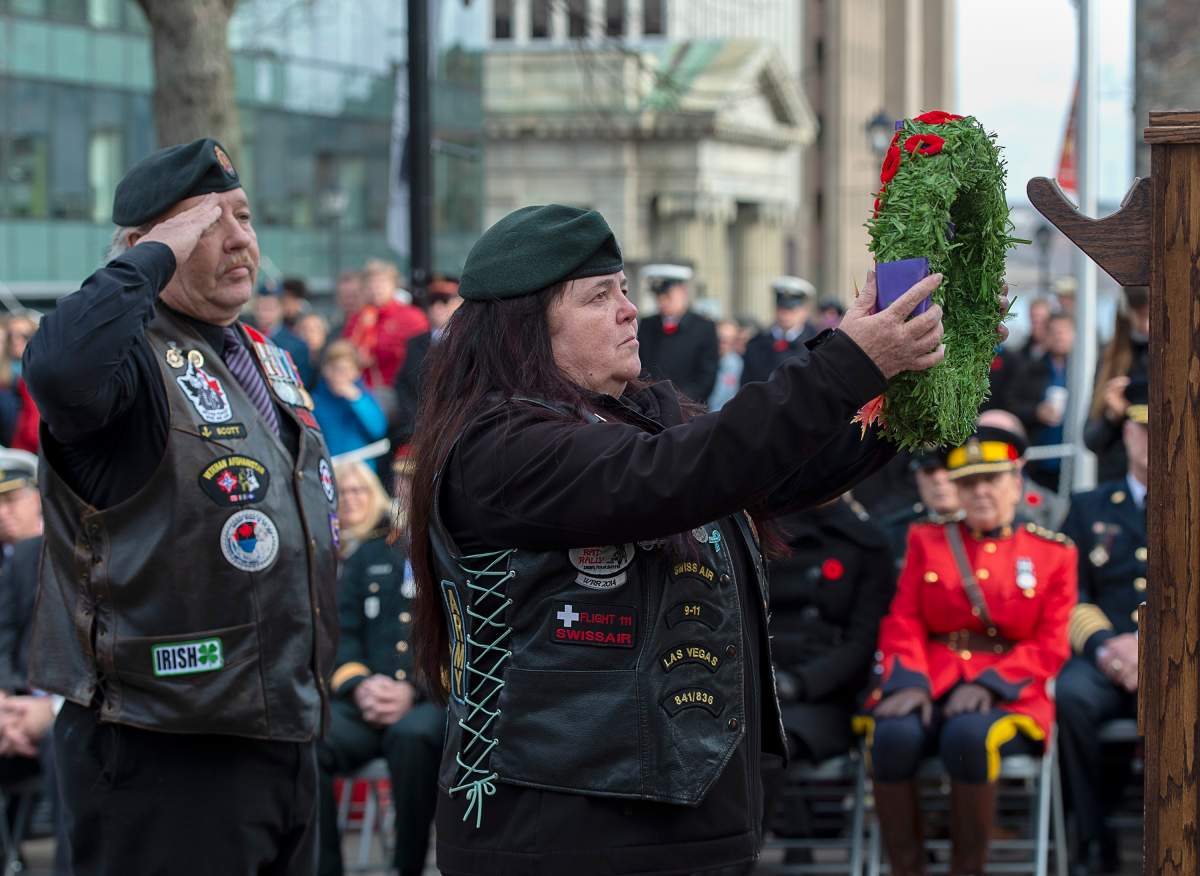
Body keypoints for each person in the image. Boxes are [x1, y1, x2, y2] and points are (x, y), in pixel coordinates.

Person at [403, 202, 1009, 875]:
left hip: (674, 816)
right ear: (523, 328)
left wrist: (917, 370)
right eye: (600, 296)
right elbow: (684, 472)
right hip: (565, 830)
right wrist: (843, 364)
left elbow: (778, 468)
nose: (629, 309)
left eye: (625, 289)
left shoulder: (630, 419)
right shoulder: (498, 445)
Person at [23, 138, 339, 876]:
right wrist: (154, 250)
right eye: (205, 223)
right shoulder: (127, 364)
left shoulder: (264, 355)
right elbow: (60, 367)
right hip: (162, 746)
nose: (238, 239)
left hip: (281, 733)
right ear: (148, 249)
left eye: (245, 217)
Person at [865, 426, 1077, 876]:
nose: (980, 492)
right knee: (891, 736)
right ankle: (906, 867)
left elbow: (1051, 642)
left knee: (968, 736)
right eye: (968, 483)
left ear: (1016, 483)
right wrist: (909, 681)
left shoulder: (1053, 553)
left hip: (1011, 691)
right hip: (934, 676)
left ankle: (968, 868)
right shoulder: (927, 540)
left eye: (992, 479)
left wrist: (991, 683)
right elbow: (904, 618)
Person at [318, 460, 443, 876]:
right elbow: (342, 631)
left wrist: (415, 690)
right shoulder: (370, 553)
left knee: (413, 737)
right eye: (402, 484)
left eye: (416, 482)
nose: (408, 491)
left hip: (427, 699)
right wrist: (359, 687)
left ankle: (406, 867)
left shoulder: (447, 552)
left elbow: (458, 637)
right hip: (367, 698)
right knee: (313, 738)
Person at [1057, 378, 1149, 876]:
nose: (1151, 440)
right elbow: (1070, 591)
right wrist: (1105, 647)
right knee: (1070, 696)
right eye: (1141, 428)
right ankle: (1091, 836)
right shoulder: (1091, 506)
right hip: (1107, 654)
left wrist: (1151, 649)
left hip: (1178, 660)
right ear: (1127, 434)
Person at [765, 494, 895, 835]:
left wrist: (801, 682)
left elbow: (862, 644)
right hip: (759, 686)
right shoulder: (770, 530)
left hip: (823, 701)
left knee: (766, 748)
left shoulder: (866, 543)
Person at [1084, 286, 1150, 483]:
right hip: (1118, 479)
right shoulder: (1111, 360)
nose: (1146, 325)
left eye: (1151, 314)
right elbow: (1090, 439)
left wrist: (1130, 411)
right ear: (1126, 313)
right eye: (1140, 315)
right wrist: (1112, 415)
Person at [392, 278, 463, 450]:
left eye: (445, 300)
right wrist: (416, 425)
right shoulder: (414, 344)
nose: (437, 307)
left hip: (459, 431)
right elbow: (404, 386)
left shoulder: (469, 343)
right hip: (420, 433)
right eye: (432, 301)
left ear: (459, 304)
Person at [635, 263, 720, 402]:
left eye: (667, 296)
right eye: (658, 297)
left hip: (689, 408)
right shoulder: (647, 325)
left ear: (682, 292)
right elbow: (641, 367)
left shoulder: (704, 327)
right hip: (651, 405)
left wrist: (680, 402)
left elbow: (707, 377)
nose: (662, 302)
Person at [1010, 312, 1075, 491]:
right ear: (1046, 336)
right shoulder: (1030, 368)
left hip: (1074, 460)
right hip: (1039, 458)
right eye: (1054, 332)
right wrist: (1036, 412)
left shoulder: (1086, 369)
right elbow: (1012, 404)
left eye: (1064, 331)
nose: (1060, 337)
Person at [342, 260, 429, 389]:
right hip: (363, 388)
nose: (375, 289)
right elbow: (346, 349)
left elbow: (419, 354)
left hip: (399, 388)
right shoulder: (357, 318)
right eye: (370, 284)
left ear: (393, 286)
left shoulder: (411, 316)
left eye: (381, 283)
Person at [977, 408, 1069, 530]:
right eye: (980, 445)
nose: (987, 456)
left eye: (997, 447)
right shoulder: (957, 503)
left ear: (1021, 457)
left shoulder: (1055, 509)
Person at [877, 449, 962, 569]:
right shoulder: (893, 532)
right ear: (917, 477)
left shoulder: (987, 526)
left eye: (947, 468)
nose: (938, 479)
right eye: (929, 471)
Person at [312, 341, 389, 458]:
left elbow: (378, 430)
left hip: (360, 465)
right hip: (329, 465)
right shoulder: (315, 400)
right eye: (336, 369)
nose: (340, 375)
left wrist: (357, 400)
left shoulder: (363, 397)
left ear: (356, 373)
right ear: (325, 370)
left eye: (346, 370)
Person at [741, 277, 818, 385]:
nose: (785, 314)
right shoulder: (757, 343)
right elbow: (747, 385)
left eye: (792, 309)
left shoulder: (816, 345)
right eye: (781, 308)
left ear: (804, 311)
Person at [253, 286, 315, 387]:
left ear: (281, 309)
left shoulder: (297, 345)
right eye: (258, 307)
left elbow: (303, 385)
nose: (262, 313)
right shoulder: (245, 336)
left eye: (268, 308)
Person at [706, 319, 745, 411]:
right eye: (720, 339)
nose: (722, 343)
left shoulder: (736, 363)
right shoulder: (704, 358)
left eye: (728, 340)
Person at [295, 311, 331, 387]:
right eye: (304, 329)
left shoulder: (331, 357)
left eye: (315, 329)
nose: (309, 334)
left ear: (325, 332)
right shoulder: (295, 358)